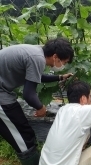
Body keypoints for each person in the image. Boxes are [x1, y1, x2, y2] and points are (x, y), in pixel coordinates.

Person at [0, 37, 74, 165]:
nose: (63, 65)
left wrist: (60, 77)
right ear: (55, 56)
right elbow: (28, 94)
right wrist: (41, 107)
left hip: (3, 91)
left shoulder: (37, 52)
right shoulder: (37, 58)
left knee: (23, 131)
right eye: (64, 62)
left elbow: (36, 76)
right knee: (24, 137)